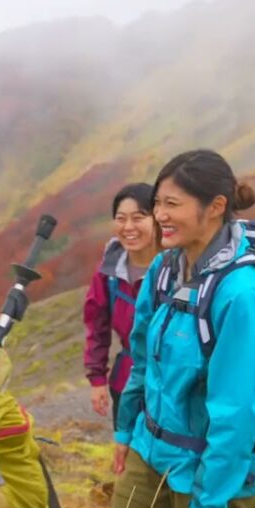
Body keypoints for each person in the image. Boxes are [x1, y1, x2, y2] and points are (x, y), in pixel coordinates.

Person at [92, 149, 255, 508]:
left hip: (209, 472)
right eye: (157, 203)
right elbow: (141, 358)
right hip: (149, 451)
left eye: (171, 204)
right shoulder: (164, 268)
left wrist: (212, 499)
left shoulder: (242, 295)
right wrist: (126, 430)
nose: (159, 215)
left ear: (215, 206)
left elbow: (238, 409)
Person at [82, 183, 160, 429]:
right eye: (121, 218)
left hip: (174, 384)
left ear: (158, 218)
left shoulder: (178, 266)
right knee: (127, 448)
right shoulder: (109, 273)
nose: (128, 227)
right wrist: (97, 379)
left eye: (138, 218)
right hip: (126, 383)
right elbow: (97, 326)